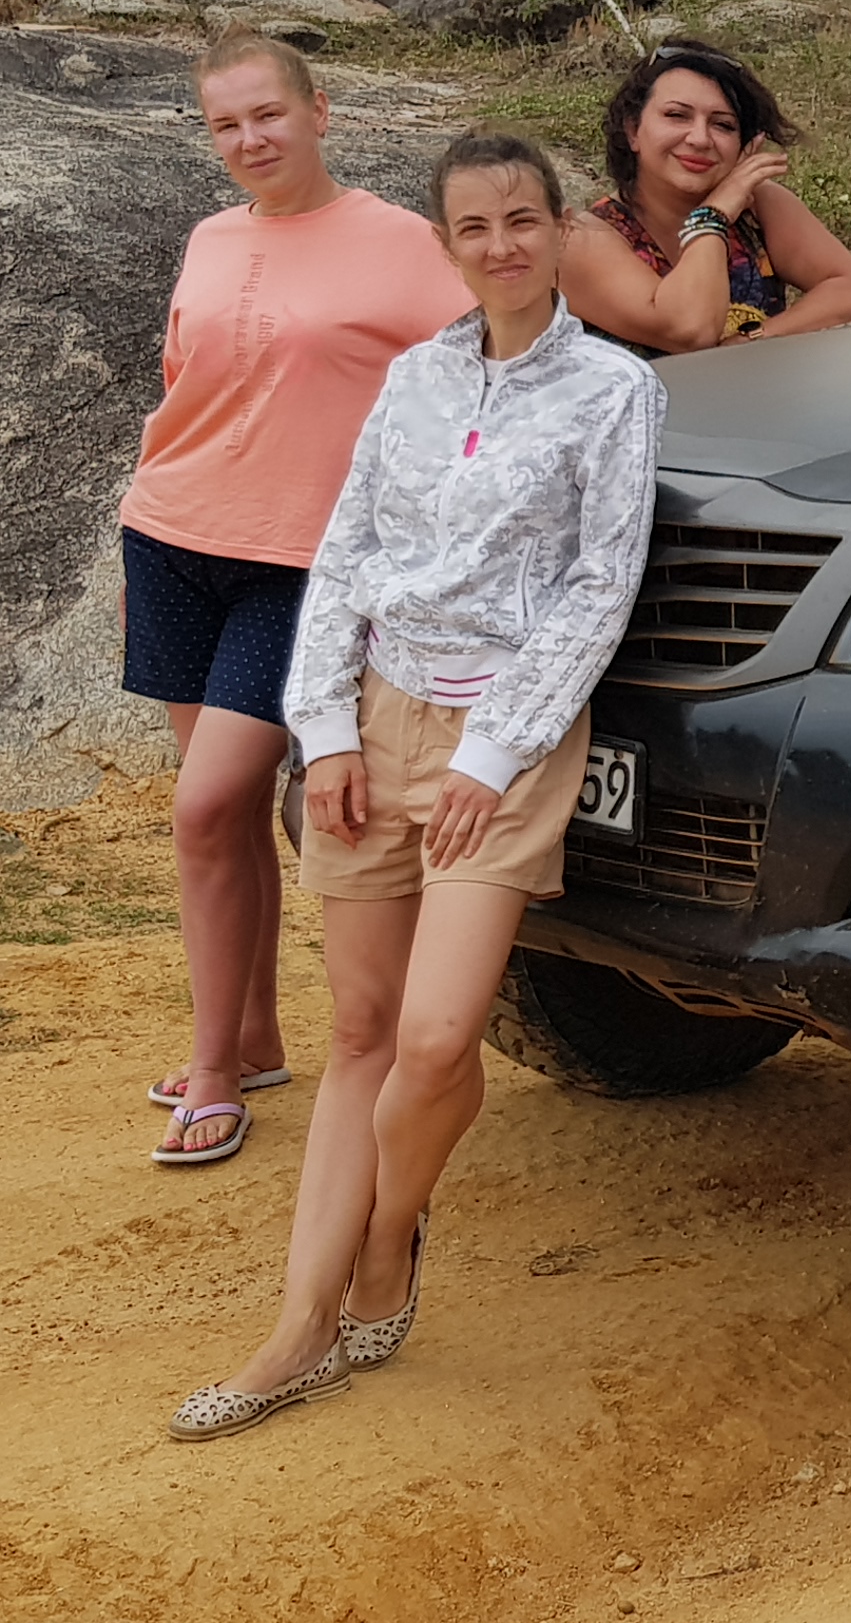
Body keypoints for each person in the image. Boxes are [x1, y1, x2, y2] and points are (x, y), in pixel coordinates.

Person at [167, 131, 662, 1439]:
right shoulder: (414, 381)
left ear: (561, 229)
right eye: (474, 227)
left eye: (521, 219)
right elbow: (346, 558)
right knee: (362, 1036)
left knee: (441, 1036)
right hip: (376, 719)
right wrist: (323, 731)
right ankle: (297, 1324)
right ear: (446, 247)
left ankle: (386, 1245)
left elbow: (597, 589)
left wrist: (493, 751)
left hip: (508, 734)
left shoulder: (616, 389)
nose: (500, 246)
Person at [118, 28, 472, 1165]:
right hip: (171, 536)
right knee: (220, 822)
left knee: (206, 807)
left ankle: (214, 1072)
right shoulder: (210, 238)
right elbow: (185, 390)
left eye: (266, 114)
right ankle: (255, 1032)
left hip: (308, 565)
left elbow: (469, 384)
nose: (250, 140)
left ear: (321, 110)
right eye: (225, 124)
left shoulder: (407, 244)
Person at [562, 38, 851, 354]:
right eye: (677, 116)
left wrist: (751, 341)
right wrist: (713, 216)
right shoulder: (582, 238)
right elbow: (689, 330)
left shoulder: (761, 207)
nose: (700, 139)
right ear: (633, 131)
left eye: (723, 125)